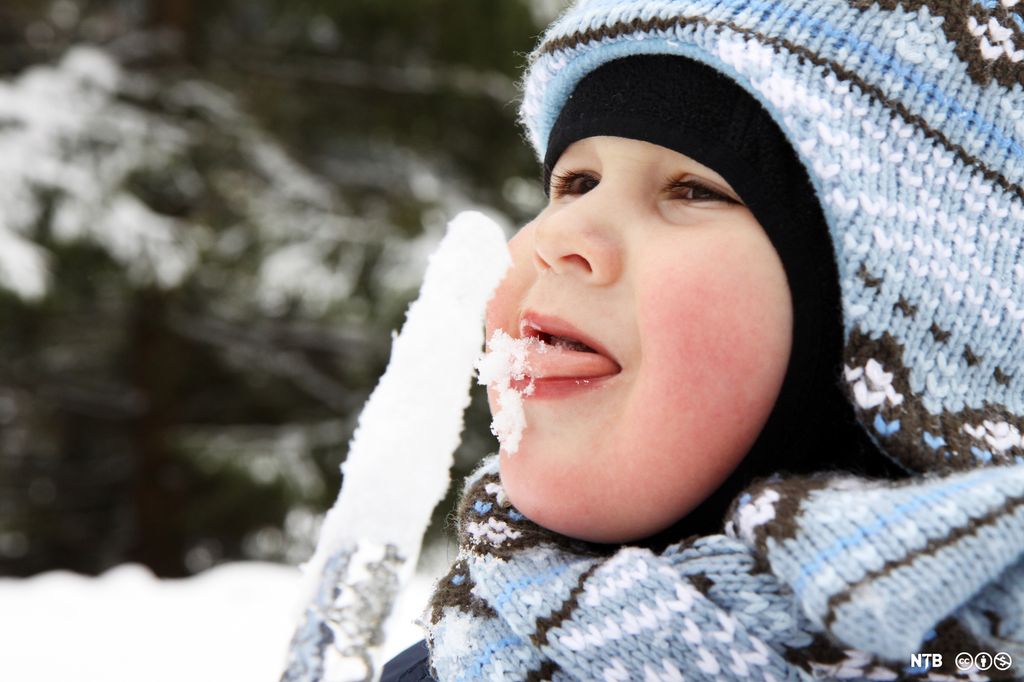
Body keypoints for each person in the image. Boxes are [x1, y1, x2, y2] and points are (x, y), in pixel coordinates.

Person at [382, 0, 1024, 679]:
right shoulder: (453, 660)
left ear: (907, 314)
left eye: (693, 190)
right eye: (575, 183)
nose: (556, 236)